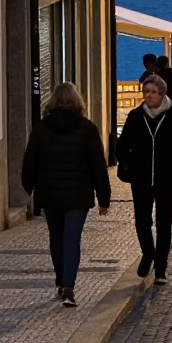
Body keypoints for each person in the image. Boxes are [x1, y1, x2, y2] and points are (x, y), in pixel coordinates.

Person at [21, 82, 111, 308]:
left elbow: (29, 161)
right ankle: (69, 287)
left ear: (52, 102)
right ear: (78, 102)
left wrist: (28, 186)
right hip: (78, 195)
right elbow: (98, 166)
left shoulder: (41, 128)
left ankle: (61, 281)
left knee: (56, 237)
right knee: (72, 239)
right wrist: (104, 198)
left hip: (50, 194)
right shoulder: (88, 129)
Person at [117, 74, 172, 285]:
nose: (148, 96)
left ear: (162, 94)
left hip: (166, 180)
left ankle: (161, 267)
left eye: (152, 92)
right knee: (142, 221)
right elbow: (122, 146)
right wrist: (128, 164)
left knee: (164, 223)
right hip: (141, 179)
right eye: (146, 92)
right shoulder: (135, 117)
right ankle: (148, 253)